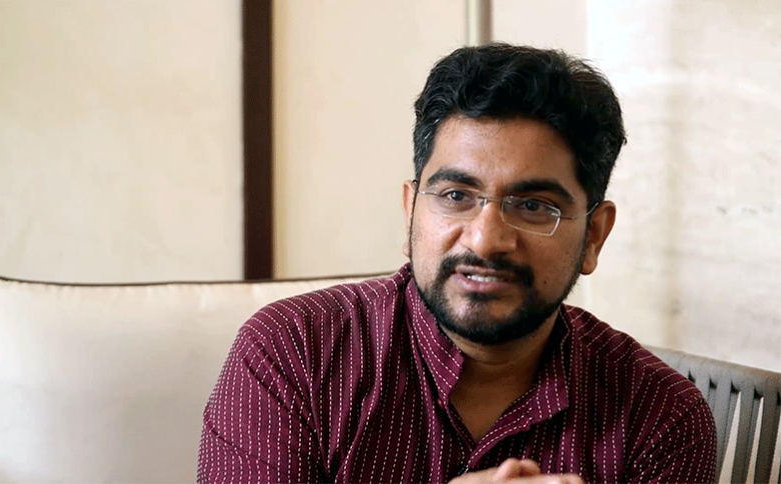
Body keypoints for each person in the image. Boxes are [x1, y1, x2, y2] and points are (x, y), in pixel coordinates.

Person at [197, 43, 717, 484]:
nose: (487, 240)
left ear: (593, 237)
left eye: (534, 206)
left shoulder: (661, 416)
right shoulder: (293, 353)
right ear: (410, 212)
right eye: (456, 195)